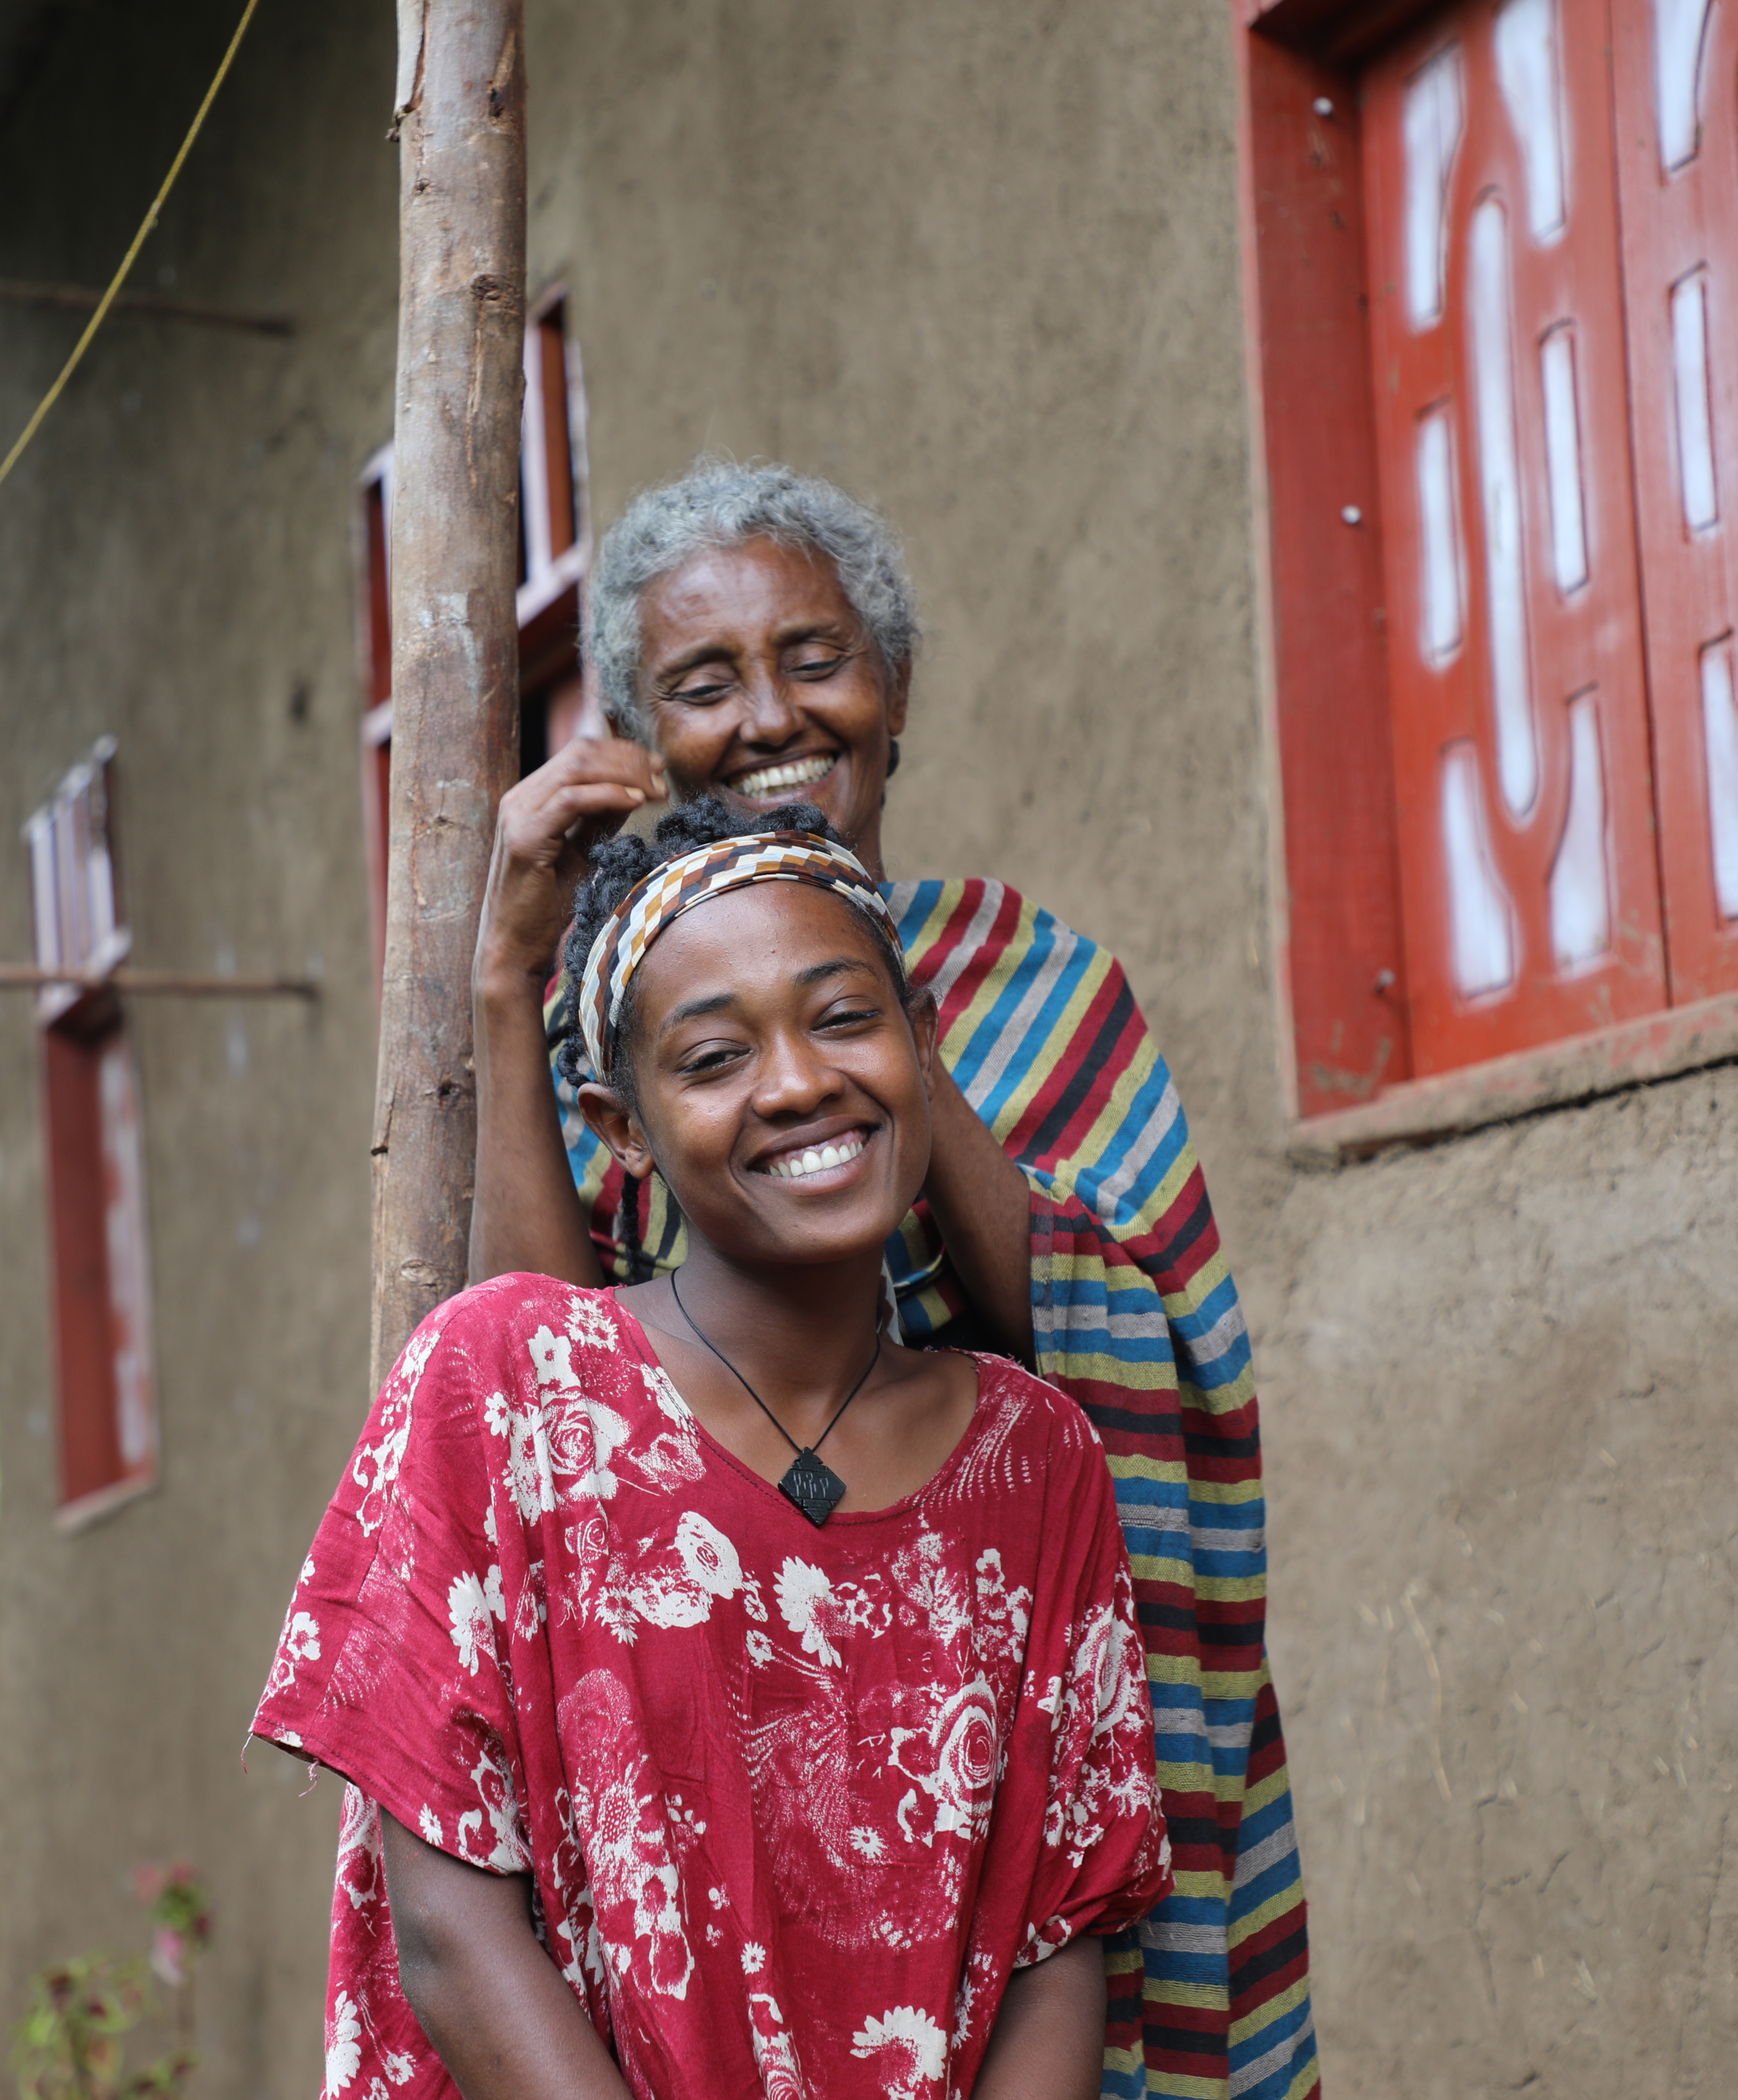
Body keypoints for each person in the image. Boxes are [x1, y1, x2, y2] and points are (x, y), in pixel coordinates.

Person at [466, 463, 1316, 2100]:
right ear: (643, 743)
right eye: (704, 687)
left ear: (895, 687)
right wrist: (516, 987)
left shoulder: (1036, 982)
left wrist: (871, 1018)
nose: (774, 717)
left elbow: (1134, 1353)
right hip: (734, 1805)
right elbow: (545, 1388)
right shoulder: (640, 1046)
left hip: (1026, 1778)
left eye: (816, 657)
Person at [254, 804, 1169, 2100]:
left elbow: (1059, 1944)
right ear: (622, 1127)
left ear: (923, 1043)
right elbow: (454, 1941)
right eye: (715, 1055)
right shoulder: (506, 1384)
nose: (797, 1082)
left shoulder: (1038, 1458)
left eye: (844, 1017)